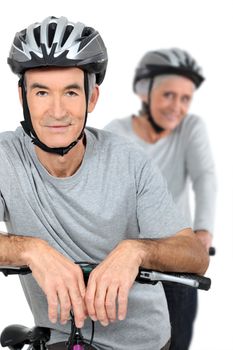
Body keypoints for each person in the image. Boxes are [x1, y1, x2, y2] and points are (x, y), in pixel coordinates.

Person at [0, 17, 209, 350]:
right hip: (58, 340)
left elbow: (195, 255)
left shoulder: (128, 160)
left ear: (92, 98)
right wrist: (29, 248)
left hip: (143, 343)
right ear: (23, 96)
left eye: (70, 92)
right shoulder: (5, 157)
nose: (56, 111)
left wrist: (135, 250)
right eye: (41, 92)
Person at [104, 48, 217, 349]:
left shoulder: (190, 129)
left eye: (185, 98)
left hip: (175, 261)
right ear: (145, 91)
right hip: (129, 265)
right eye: (168, 95)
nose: (176, 106)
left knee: (176, 341)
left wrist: (203, 230)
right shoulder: (116, 133)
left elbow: (204, 176)